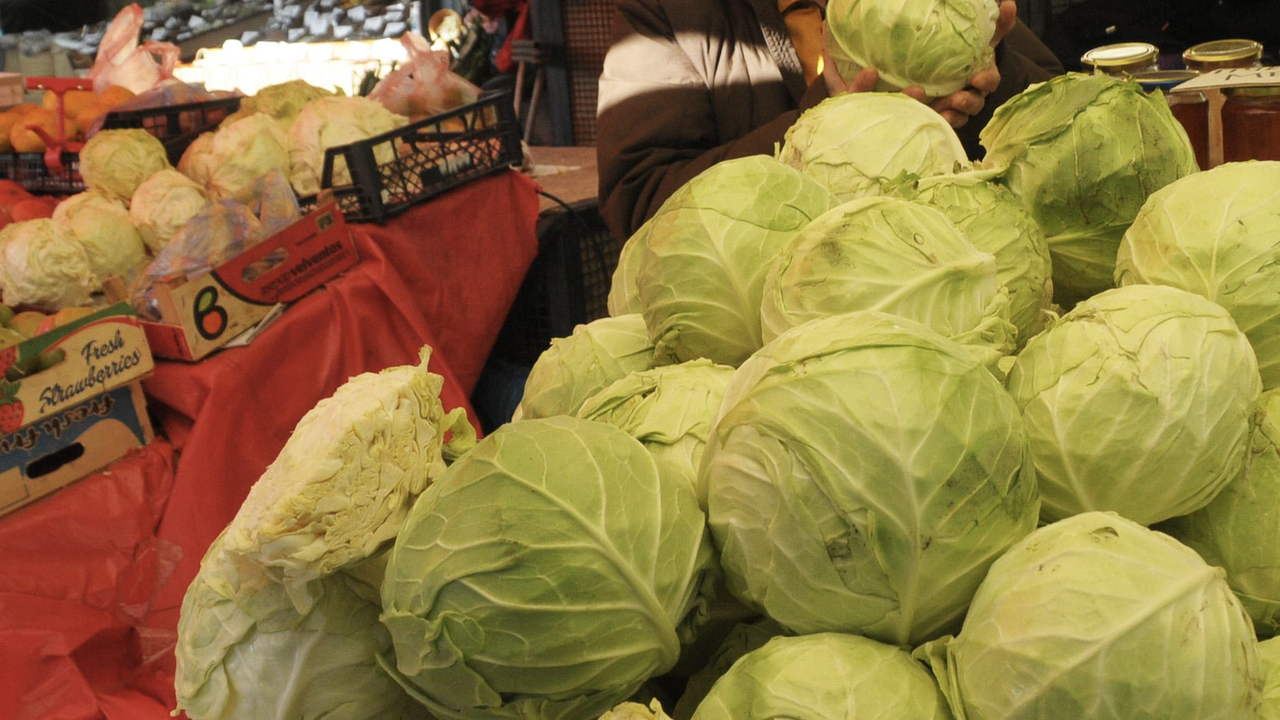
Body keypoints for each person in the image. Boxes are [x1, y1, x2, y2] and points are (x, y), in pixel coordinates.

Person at [595, 0, 1064, 242]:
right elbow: (640, 204)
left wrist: (990, 67)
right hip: (774, 337)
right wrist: (822, 120)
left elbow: (1063, 130)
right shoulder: (670, 12)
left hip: (946, 295)